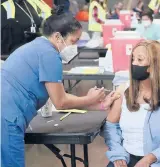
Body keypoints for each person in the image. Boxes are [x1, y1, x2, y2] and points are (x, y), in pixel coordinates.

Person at [1, 10, 119, 167]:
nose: (74, 47)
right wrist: (90, 99)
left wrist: (98, 105)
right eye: (73, 41)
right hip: (7, 116)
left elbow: (58, 95)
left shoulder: (38, 47)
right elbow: (60, 101)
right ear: (57, 36)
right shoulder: (49, 54)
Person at [102, 41, 160, 167]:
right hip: (127, 157)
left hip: (159, 160)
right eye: (133, 59)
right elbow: (110, 126)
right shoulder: (125, 90)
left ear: (154, 65)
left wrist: (149, 159)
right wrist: (118, 153)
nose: (134, 63)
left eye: (140, 60)